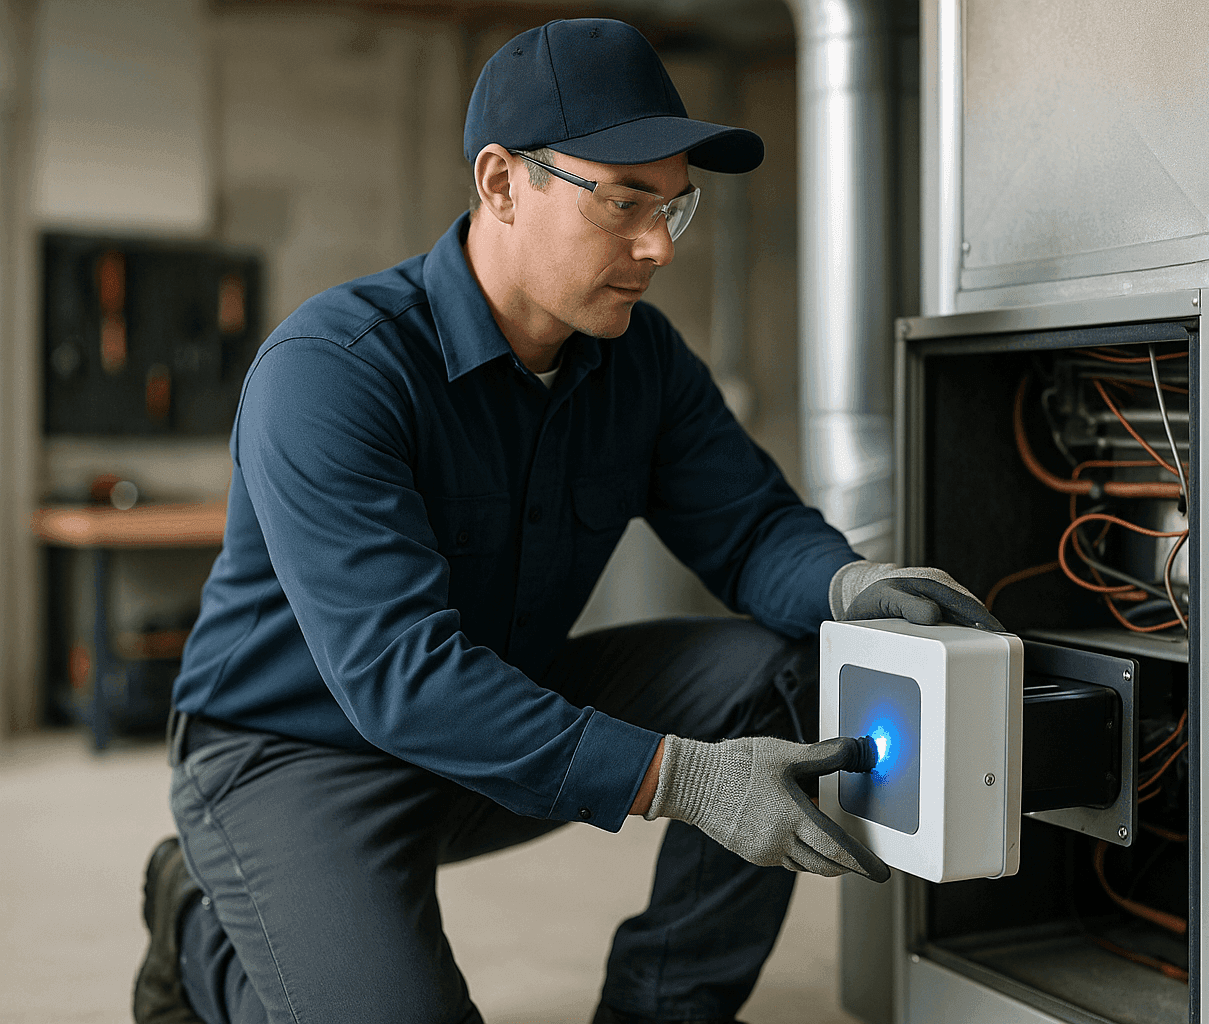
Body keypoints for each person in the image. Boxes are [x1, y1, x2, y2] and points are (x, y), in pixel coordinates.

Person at [132, 18, 1001, 1024]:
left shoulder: (642, 361)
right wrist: (680, 779)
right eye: (625, 201)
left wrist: (850, 585)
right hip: (293, 754)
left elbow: (751, 527)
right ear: (502, 183)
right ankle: (194, 923)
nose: (656, 246)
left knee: (780, 673)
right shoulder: (334, 373)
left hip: (499, 707)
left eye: (673, 208)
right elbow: (398, 676)